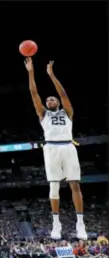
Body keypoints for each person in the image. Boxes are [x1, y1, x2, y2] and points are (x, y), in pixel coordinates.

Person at [24, 58, 87, 240]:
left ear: (58, 102)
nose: (49, 100)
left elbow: (64, 94)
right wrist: (31, 72)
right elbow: (33, 92)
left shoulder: (67, 112)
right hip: (51, 148)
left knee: (75, 184)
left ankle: (80, 223)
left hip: (68, 146)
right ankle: (56, 223)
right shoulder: (43, 114)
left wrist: (51, 75)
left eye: (52, 98)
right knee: (54, 186)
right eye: (48, 99)